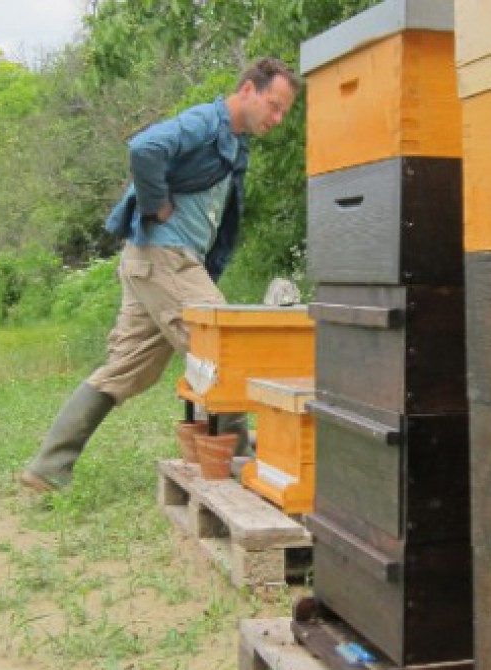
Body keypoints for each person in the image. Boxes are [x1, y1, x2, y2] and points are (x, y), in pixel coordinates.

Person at [20, 57, 301, 493]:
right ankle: (243, 463)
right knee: (229, 346)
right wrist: (155, 204)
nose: (278, 118)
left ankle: (48, 466)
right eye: (274, 105)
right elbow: (145, 148)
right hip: (165, 256)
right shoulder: (207, 121)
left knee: (128, 369)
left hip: (151, 262)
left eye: (284, 112)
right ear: (248, 90)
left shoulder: (231, 141)